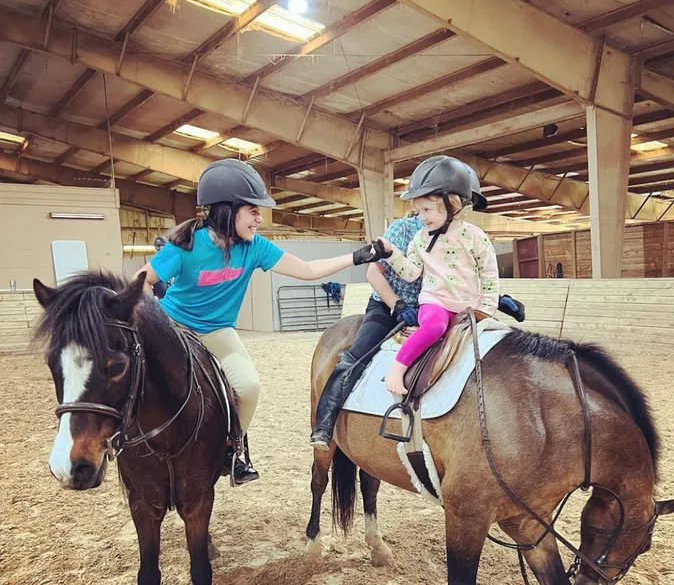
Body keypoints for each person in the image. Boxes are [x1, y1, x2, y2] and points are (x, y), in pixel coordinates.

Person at [133, 158, 385, 485]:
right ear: (228, 210)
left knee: (249, 386)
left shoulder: (255, 248)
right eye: (253, 211)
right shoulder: (185, 246)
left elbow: (307, 270)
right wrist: (144, 312)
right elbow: (142, 278)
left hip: (217, 330)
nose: (260, 219)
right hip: (175, 327)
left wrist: (357, 256)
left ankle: (232, 449)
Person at [308, 161, 524, 450]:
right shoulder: (407, 230)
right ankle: (325, 424)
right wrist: (397, 306)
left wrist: (496, 299)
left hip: (442, 306)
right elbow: (375, 272)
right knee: (356, 356)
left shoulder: (469, 235)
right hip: (391, 305)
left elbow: (464, 273)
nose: (425, 215)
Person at [378, 155, 499, 395]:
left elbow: (489, 273)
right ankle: (398, 367)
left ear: (452, 205)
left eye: (427, 210)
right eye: (418, 211)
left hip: (469, 306)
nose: (421, 217)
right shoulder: (420, 239)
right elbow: (411, 273)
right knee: (434, 327)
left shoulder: (475, 237)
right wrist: (392, 254)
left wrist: (487, 307)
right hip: (435, 303)